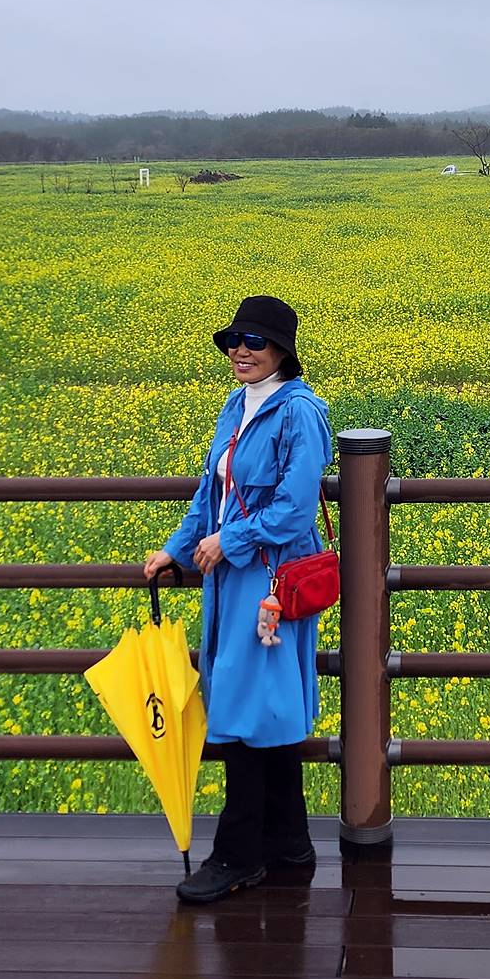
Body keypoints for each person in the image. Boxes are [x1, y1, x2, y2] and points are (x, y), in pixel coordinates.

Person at [142, 295, 333, 904]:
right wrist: (177, 549)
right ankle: (289, 842)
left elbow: (295, 508)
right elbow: (211, 495)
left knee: (249, 711)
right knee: (262, 705)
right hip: (230, 578)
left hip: (268, 579)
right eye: (233, 341)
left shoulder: (300, 412)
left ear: (282, 351)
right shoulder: (236, 405)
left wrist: (232, 541)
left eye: (254, 342)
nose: (240, 352)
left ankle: (237, 855)